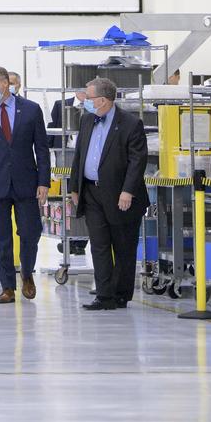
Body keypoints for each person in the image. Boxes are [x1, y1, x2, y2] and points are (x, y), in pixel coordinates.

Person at [0, 65, 50, 304]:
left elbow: (41, 149)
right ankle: (7, 287)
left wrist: (43, 181)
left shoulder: (31, 110)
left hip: (26, 183)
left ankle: (26, 274)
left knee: (30, 233)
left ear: (5, 84)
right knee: (0, 237)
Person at [70, 76, 149, 311]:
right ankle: (104, 296)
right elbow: (79, 156)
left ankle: (121, 294)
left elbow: (138, 161)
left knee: (123, 246)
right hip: (92, 193)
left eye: (89, 96)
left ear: (103, 100)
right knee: (99, 244)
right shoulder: (86, 120)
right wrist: (75, 187)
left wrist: (127, 191)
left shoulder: (130, 123)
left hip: (120, 195)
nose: (84, 100)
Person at [47, 88, 88, 254]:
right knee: (66, 200)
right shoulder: (61, 105)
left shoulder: (93, 107)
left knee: (84, 198)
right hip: (64, 159)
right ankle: (68, 237)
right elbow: (51, 130)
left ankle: (81, 241)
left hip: (85, 159)